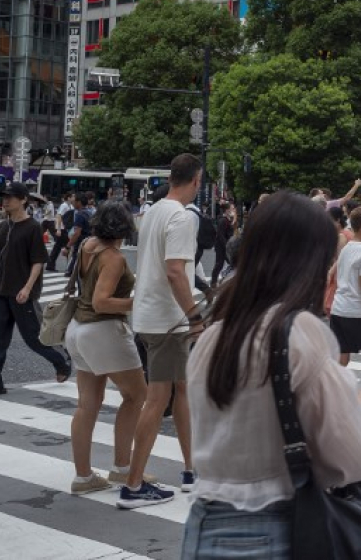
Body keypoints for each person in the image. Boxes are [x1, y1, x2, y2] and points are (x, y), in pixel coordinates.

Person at [183, 192, 361, 556]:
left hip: (203, 524)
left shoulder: (215, 334)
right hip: (274, 526)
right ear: (309, 261)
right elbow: (347, 455)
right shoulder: (298, 331)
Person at [125, 153, 204, 508]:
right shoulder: (181, 217)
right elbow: (175, 271)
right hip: (168, 321)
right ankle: (134, 484)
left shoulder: (154, 210)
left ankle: (190, 469)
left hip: (152, 315)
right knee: (157, 401)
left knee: (181, 389)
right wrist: (194, 314)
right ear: (196, 181)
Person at [64, 201, 148, 494]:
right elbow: (102, 302)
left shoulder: (88, 244)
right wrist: (140, 302)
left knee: (87, 403)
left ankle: (84, 476)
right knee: (137, 395)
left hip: (77, 330)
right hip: (103, 331)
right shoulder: (113, 257)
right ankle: (123, 469)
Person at [0, 181, 73, 395]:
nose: (5, 201)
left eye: (10, 197)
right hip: (2, 291)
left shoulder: (32, 227)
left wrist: (27, 287)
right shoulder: (4, 227)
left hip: (23, 292)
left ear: (23, 200)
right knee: (0, 339)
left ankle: (61, 361)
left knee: (33, 338)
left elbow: (38, 262)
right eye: (3, 197)